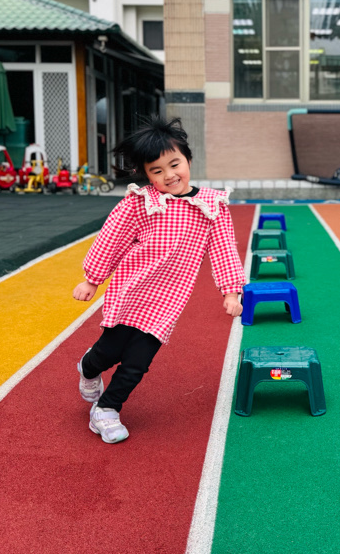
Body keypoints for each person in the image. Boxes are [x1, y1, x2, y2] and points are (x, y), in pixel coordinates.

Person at [72, 116, 246, 444]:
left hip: (167, 301)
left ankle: (107, 409)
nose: (169, 175)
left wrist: (231, 291)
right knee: (109, 352)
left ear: (188, 159)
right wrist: (92, 279)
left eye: (174, 164)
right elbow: (112, 238)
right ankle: (88, 367)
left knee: (138, 362)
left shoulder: (211, 206)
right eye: (157, 170)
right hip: (131, 291)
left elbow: (223, 248)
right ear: (147, 174)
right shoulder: (142, 202)